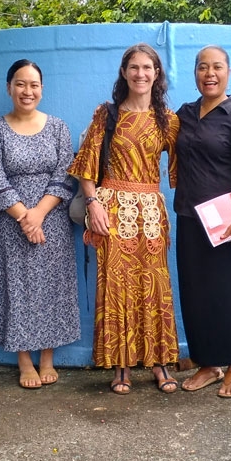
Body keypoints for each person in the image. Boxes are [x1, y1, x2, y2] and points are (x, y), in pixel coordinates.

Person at [68, 43, 180, 395]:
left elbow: (184, 169)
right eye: (134, 67)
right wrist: (93, 204)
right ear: (124, 72)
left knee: (156, 287)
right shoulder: (107, 114)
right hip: (113, 209)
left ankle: (160, 362)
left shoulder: (169, 119)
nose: (140, 74)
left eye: (147, 67)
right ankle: (120, 366)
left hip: (151, 213)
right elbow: (86, 166)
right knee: (115, 288)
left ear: (157, 73)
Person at [0, 60, 81, 388]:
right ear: (9, 87)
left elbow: (65, 173)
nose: (28, 91)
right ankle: (24, 360)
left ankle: (48, 358)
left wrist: (39, 214)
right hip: (12, 223)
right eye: (21, 84)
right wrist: (24, 216)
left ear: (42, 88)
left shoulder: (58, 128)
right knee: (17, 290)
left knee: (50, 288)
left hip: (51, 221)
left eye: (34, 84)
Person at [174, 46, 231, 398]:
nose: (209, 73)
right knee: (197, 295)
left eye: (217, 67)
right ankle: (208, 364)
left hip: (228, 223)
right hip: (190, 218)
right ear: (195, 72)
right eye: (202, 67)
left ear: (228, 72)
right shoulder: (185, 113)